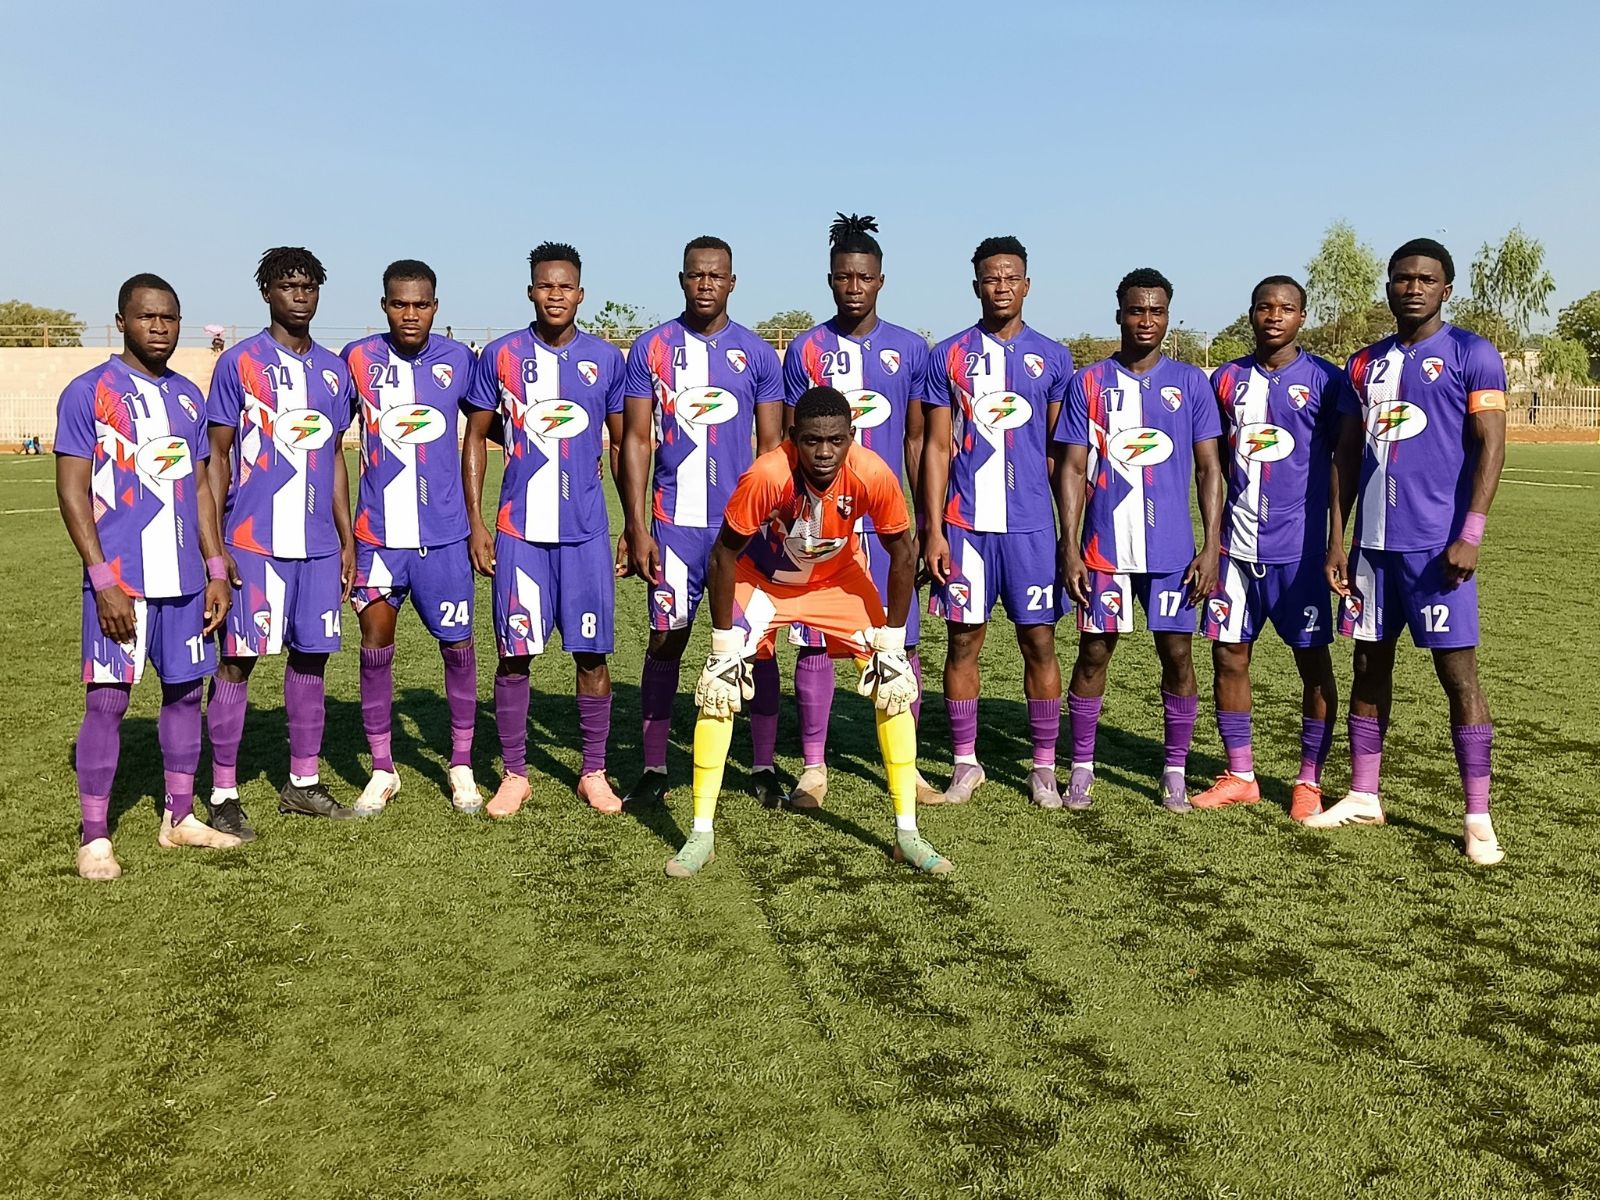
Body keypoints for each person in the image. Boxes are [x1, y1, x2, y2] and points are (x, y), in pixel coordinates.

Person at [666, 385, 951, 878]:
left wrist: (893, 636)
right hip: (765, 583)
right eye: (812, 440)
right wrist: (723, 642)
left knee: (894, 682)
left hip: (837, 582)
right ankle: (701, 834)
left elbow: (903, 553)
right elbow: (723, 555)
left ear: (851, 437)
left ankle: (907, 834)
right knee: (719, 685)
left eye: (835, 440)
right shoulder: (767, 474)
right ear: (793, 436)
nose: (823, 452)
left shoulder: (872, 473)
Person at [1315, 238, 1508, 865]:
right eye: (1403, 278)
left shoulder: (1472, 354)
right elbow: (1346, 455)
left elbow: (1493, 445)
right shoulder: (1363, 364)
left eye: (1426, 279)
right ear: (1389, 287)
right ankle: (1364, 794)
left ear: (1446, 289)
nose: (1413, 288)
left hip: (1439, 551)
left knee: (1458, 676)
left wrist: (1470, 534)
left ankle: (1477, 816)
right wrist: (1338, 540)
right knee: (1368, 666)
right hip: (1372, 551)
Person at [55, 273, 241, 880]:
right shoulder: (89, 392)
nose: (159, 327)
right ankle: (94, 838)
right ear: (122, 322)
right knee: (108, 701)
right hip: (123, 583)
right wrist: (102, 579)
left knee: (186, 693)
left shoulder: (188, 396)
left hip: (185, 581)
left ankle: (179, 818)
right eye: (146, 317)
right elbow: (72, 490)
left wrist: (216, 567)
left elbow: (203, 490)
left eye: (169, 318)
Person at [778, 213, 938, 808]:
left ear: (881, 281)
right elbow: (791, 441)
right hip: (820, 523)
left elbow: (918, 441)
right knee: (814, 640)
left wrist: (927, 522)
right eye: (844, 277)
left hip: (885, 522)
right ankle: (813, 768)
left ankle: (907, 768)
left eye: (864, 277)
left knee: (900, 641)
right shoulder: (805, 348)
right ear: (830, 280)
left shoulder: (910, 349)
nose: (854, 287)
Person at [618, 236, 784, 807]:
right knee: (667, 640)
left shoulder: (757, 354)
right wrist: (636, 525)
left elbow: (771, 446)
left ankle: (763, 765)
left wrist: (772, 522)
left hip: (743, 532)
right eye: (696, 274)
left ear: (732, 282)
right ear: (682, 279)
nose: (705, 283)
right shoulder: (652, 348)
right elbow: (636, 440)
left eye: (716, 275)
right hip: (673, 527)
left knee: (757, 644)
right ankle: (654, 766)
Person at [463, 243, 628, 816]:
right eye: (545, 286)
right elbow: (475, 437)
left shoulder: (606, 359)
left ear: (580, 294)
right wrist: (477, 522)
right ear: (530, 291)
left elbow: (625, 444)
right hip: (519, 535)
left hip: (585, 534)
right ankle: (515, 774)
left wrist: (633, 525)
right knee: (515, 655)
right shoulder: (502, 355)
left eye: (565, 287)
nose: (555, 295)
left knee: (592, 656)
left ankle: (593, 772)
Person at [1054, 268, 1224, 813]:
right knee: (1093, 653)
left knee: (1177, 655)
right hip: (1104, 550)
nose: (1146, 320)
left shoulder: (1191, 383)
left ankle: (1174, 771)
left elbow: (1210, 469)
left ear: (1168, 317)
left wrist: (1211, 546)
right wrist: (1069, 546)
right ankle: (1082, 767)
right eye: (1136, 310)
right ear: (1119, 315)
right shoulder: (1088, 382)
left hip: (1172, 553)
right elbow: (1071, 469)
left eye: (1156, 311)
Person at [205, 247, 358, 837]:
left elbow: (335, 457)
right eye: (288, 285)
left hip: (318, 547)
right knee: (237, 661)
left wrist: (346, 537)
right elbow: (217, 456)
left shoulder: (335, 371)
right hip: (253, 542)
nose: (300, 294)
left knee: (311, 658)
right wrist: (217, 546)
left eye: (309, 285)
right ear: (266, 292)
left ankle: (302, 783)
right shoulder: (239, 363)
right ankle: (223, 792)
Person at [922, 236, 1074, 807]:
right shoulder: (949, 355)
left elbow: (1061, 453)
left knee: (1039, 641)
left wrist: (1068, 536)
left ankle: (1043, 767)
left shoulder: (1053, 357)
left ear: (1027, 285)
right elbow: (937, 447)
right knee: (963, 641)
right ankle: (966, 763)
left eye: (1011, 278)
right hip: (966, 527)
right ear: (976, 286)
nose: (1001, 287)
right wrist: (933, 529)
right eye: (991, 278)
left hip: (1031, 529)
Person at [1191, 276, 1343, 820]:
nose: (1274, 316)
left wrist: (1335, 543)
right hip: (1235, 549)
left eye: (1286, 308)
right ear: (1252, 313)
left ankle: (1308, 781)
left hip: (1300, 553)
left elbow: (1342, 465)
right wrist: (1210, 543)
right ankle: (1241, 775)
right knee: (1229, 656)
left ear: (1302, 316)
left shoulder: (1326, 380)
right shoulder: (1225, 379)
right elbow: (1210, 464)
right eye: (1264, 307)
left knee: (1312, 661)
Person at [341, 260, 481, 816]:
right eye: (399, 303)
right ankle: (383, 768)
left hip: (444, 538)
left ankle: (462, 763)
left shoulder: (459, 361)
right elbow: (325, 437)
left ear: (435, 307)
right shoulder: (357, 359)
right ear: (384, 306)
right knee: (374, 646)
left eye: (421, 304)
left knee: (458, 648)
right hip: (377, 539)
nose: (410, 314)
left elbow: (488, 425)